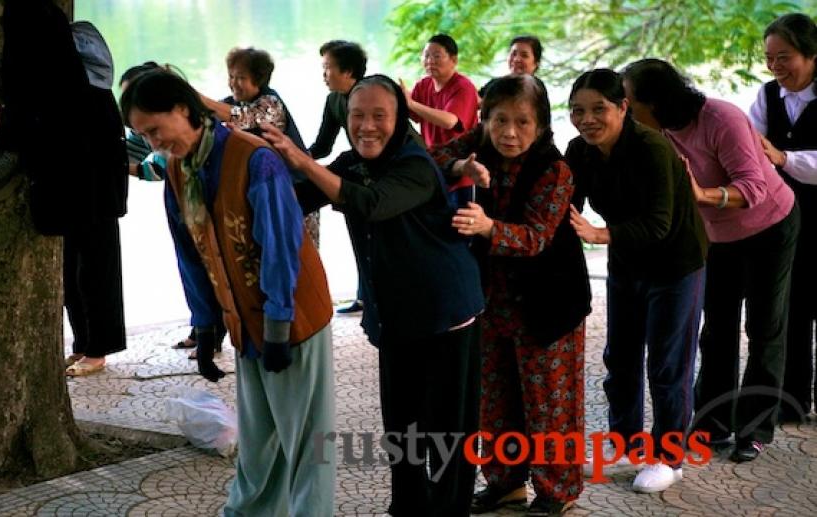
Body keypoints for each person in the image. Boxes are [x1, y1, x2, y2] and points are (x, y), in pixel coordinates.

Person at [262, 74, 484, 517]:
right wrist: (258, 166)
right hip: (396, 315)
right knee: (402, 425)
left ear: (399, 117)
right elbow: (298, 197)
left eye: (379, 116)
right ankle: (408, 506)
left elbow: (371, 203)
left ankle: (448, 509)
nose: (367, 126)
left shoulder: (415, 165)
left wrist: (305, 163)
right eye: (357, 115)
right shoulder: (350, 163)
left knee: (448, 431)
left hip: (445, 311)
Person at [121, 69, 336, 515]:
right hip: (243, 319)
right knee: (259, 443)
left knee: (307, 444)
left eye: (155, 130)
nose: (154, 143)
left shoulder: (254, 157)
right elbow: (191, 251)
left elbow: (282, 246)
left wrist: (278, 324)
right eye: (142, 136)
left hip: (292, 316)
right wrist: (206, 326)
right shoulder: (180, 168)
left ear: (183, 109)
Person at [622, 58, 800, 462]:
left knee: (764, 326)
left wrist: (702, 195)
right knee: (716, 330)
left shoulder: (722, 118)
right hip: (718, 237)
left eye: (629, 100)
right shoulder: (654, 131)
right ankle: (711, 425)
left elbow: (753, 187)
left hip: (770, 225)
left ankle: (755, 429)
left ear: (655, 101)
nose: (624, 108)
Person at [432, 75, 591, 515]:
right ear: (484, 119)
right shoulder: (478, 142)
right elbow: (430, 159)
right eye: (499, 120)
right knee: (495, 399)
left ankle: (557, 492)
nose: (509, 132)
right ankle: (505, 484)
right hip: (491, 300)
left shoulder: (555, 170)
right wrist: (459, 167)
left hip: (549, 303)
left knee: (550, 406)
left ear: (541, 125)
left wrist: (487, 228)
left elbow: (537, 237)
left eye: (522, 122)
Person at [565, 69, 708, 493]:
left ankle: (670, 457)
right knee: (620, 357)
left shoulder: (651, 147)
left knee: (667, 364)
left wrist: (599, 234)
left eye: (598, 109)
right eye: (577, 111)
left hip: (676, 263)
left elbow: (659, 224)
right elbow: (563, 207)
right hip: (627, 263)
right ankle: (626, 444)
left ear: (623, 108)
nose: (587, 119)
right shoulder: (580, 151)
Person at [118, 62, 227, 369]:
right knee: (190, 259)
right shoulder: (161, 146)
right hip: (176, 198)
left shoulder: (230, 154)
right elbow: (136, 153)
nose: (151, 140)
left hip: (269, 320)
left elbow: (154, 169)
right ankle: (203, 326)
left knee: (206, 260)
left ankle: (213, 330)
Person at [749, 13, 817, 423]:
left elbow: (772, 154)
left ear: (811, 54)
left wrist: (783, 157)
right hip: (783, 216)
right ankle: (791, 400)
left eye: (785, 57)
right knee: (792, 306)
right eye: (770, 59)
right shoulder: (767, 96)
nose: (776, 67)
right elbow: (751, 143)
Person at [198, 46, 320, 247]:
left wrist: (197, 97)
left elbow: (242, 117)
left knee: (302, 258)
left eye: (241, 78)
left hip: (298, 193)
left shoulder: (270, 103)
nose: (233, 84)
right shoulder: (232, 103)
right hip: (268, 192)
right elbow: (207, 116)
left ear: (259, 79)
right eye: (231, 76)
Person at [61, 22, 129, 376]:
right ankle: (83, 342)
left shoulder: (96, 97)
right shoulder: (77, 94)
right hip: (75, 196)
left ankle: (98, 347)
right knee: (71, 270)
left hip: (96, 198)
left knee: (96, 271)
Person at [309, 40, 368, 314]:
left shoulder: (370, 95)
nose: (323, 75)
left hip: (383, 181)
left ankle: (377, 296)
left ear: (348, 71)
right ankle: (364, 296)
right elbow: (322, 147)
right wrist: (290, 158)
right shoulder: (334, 100)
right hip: (356, 174)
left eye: (328, 68)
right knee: (358, 239)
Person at [403, 34, 479, 204]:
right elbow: (413, 114)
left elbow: (449, 121)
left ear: (453, 60)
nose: (430, 61)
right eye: (426, 56)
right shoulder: (423, 85)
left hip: (461, 169)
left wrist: (412, 104)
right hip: (434, 165)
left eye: (437, 56)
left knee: (459, 223)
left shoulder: (463, 86)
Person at [478, 36, 543, 98]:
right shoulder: (495, 84)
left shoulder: (536, 88)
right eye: (513, 54)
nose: (516, 59)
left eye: (524, 55)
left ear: (536, 63)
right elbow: (475, 101)